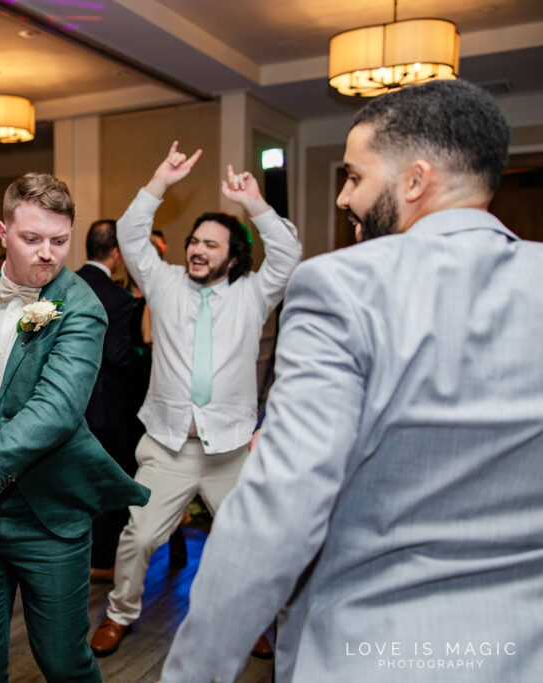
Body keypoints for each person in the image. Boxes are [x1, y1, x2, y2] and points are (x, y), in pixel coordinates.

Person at [162, 80, 543, 682]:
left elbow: (277, 516)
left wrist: (193, 673)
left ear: (415, 180)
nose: (344, 197)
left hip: (376, 650)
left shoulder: (343, 286)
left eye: (356, 177)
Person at [0, 172, 150, 681]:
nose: (48, 253)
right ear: (2, 232)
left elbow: (55, 412)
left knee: (62, 661)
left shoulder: (80, 306)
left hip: (48, 514)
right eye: (31, 239)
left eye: (59, 241)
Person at [90, 142, 302, 657]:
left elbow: (290, 252)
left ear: (234, 255)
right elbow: (130, 233)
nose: (198, 250)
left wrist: (256, 205)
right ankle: (120, 613)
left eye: (212, 243)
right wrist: (160, 180)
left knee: (246, 545)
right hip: (167, 448)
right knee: (138, 539)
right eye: (194, 241)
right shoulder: (163, 284)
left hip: (229, 451)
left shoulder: (255, 294)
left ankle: (250, 621)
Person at [75, 220, 138, 578]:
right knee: (108, 483)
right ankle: (101, 559)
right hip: (108, 406)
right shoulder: (117, 298)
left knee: (75, 480)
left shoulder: (64, 286)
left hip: (71, 403)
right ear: (115, 253)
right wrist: (143, 363)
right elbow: (118, 354)